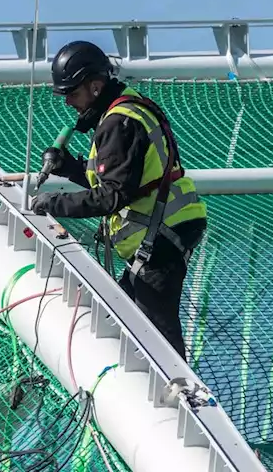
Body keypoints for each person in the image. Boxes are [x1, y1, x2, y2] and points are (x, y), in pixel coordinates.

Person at [28, 40, 207, 361]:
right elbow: (122, 181)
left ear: (95, 87)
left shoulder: (118, 123)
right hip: (167, 231)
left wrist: (51, 203)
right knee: (125, 319)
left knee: (157, 334)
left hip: (162, 238)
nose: (68, 102)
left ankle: (181, 401)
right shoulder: (130, 109)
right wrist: (70, 167)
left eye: (72, 93)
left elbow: (110, 197)